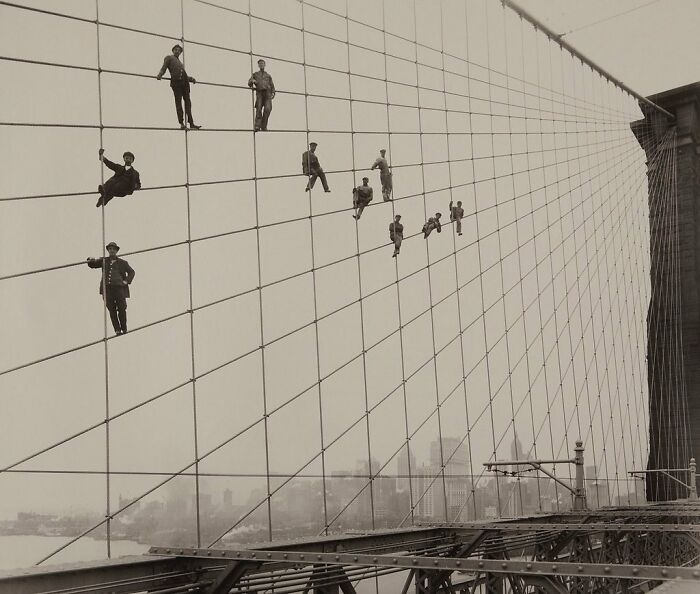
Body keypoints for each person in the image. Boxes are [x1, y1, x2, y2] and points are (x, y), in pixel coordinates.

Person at [87, 242, 135, 336]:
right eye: (110, 249)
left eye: (113, 249)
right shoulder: (104, 260)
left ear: (116, 251)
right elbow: (93, 264)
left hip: (119, 288)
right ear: (108, 250)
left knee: (122, 308)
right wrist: (90, 260)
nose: (112, 250)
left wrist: (126, 281)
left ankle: (124, 328)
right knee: (111, 309)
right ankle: (117, 330)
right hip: (107, 289)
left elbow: (132, 272)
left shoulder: (123, 263)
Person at [156, 44, 201, 130]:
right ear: (173, 50)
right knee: (178, 102)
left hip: (185, 83)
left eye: (179, 50)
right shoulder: (169, 58)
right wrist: (160, 74)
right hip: (176, 83)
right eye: (176, 50)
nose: (177, 51)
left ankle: (191, 123)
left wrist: (191, 79)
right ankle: (181, 123)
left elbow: (184, 74)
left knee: (188, 103)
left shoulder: (180, 63)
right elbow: (164, 68)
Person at [248, 59, 275, 131]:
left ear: (264, 65)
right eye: (260, 64)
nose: (261, 65)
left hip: (267, 94)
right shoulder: (255, 74)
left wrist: (273, 93)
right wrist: (252, 81)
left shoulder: (268, 75)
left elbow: (272, 85)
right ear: (258, 65)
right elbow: (249, 82)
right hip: (260, 93)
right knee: (259, 109)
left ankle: (263, 126)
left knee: (268, 109)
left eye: (262, 63)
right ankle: (257, 126)